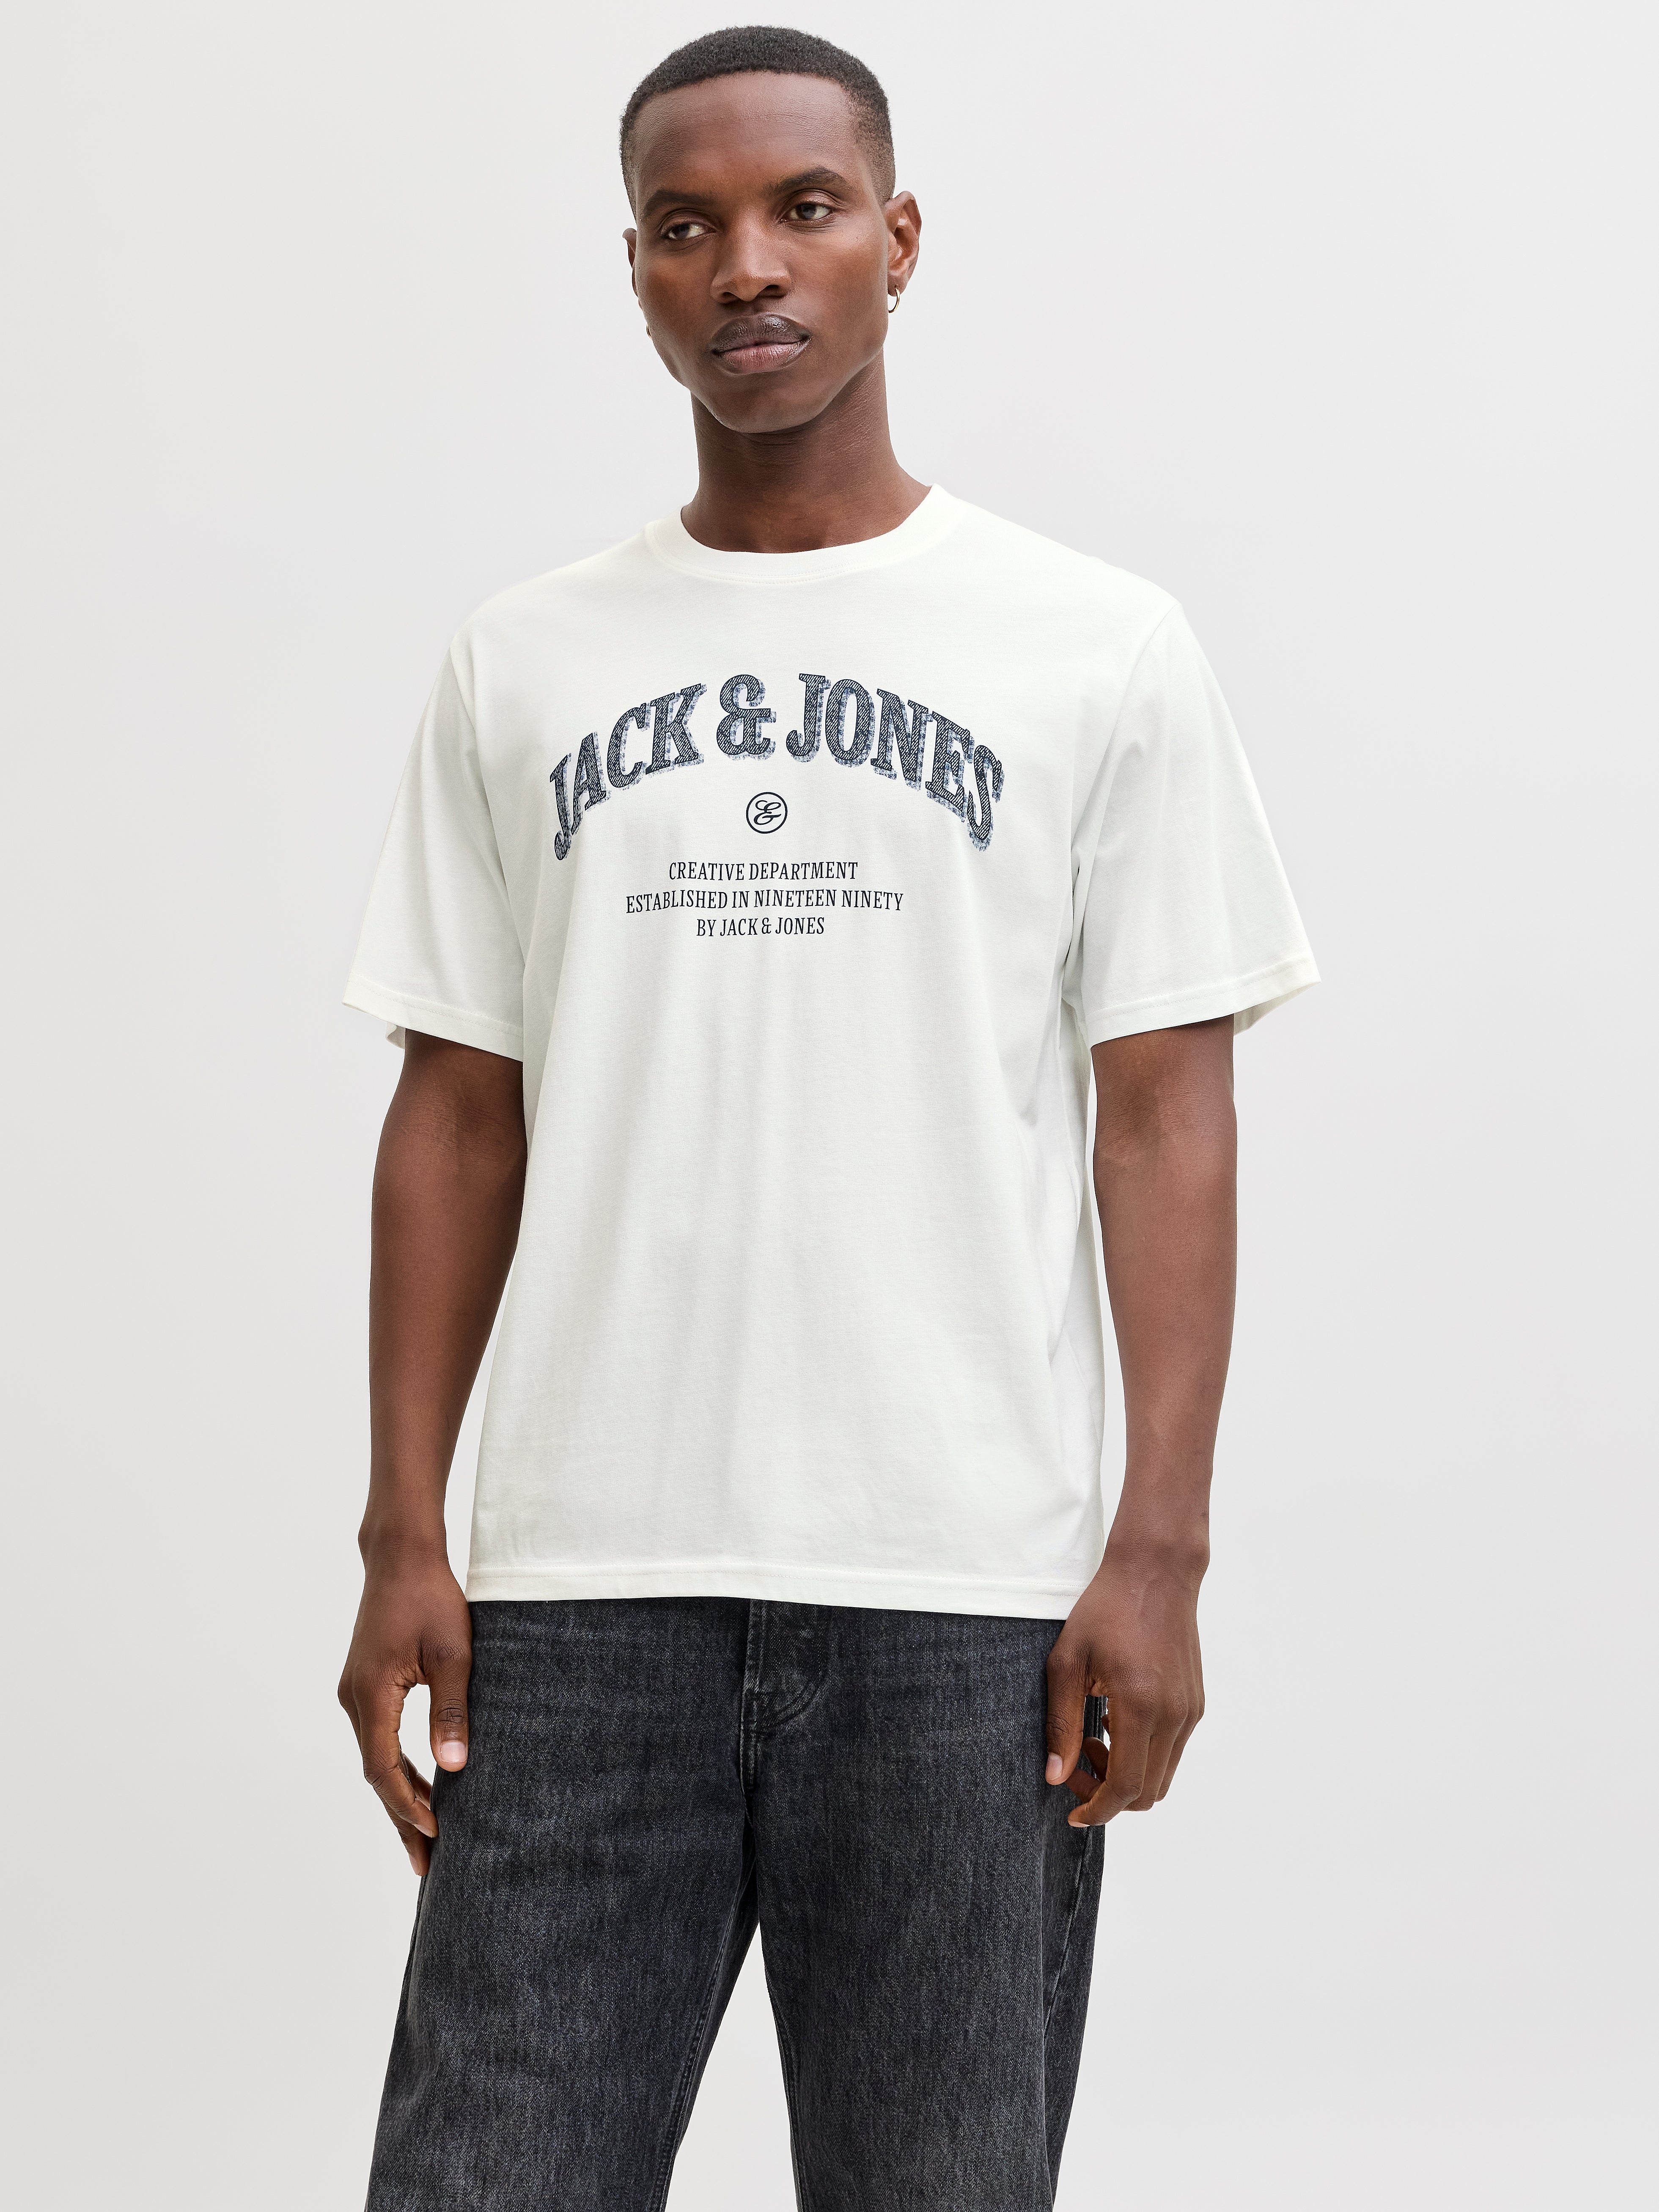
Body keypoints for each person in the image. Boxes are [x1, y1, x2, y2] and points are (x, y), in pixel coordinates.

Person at [337, 24, 1317, 2209]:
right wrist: (405, 1531)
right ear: (634, 272)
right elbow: (458, 1113)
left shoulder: (1094, 648)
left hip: (963, 1600)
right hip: (581, 1595)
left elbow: (1164, 1114)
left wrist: (1158, 1551)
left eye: (802, 209)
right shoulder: (525, 661)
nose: (748, 266)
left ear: (899, 238)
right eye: (685, 226)